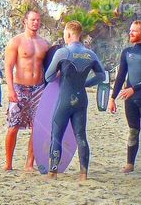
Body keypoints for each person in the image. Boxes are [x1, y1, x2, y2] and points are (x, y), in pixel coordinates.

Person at [43, 21, 106, 181]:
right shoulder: (90, 54)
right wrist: (85, 83)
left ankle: (53, 172)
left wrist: (59, 74)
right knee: (81, 136)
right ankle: (83, 174)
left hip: (65, 98)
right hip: (81, 99)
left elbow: (48, 77)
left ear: (69, 34)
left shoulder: (62, 53)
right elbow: (101, 75)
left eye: (65, 34)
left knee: (57, 135)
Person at [109, 19, 141, 173]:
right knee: (133, 130)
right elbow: (120, 76)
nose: (130, 33)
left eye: (134, 31)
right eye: (130, 30)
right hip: (130, 99)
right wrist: (112, 98)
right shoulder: (127, 52)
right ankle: (130, 164)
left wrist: (134, 88)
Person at [4, 10, 51, 171]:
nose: (35, 23)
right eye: (32, 20)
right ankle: (8, 163)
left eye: (38, 20)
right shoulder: (16, 41)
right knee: (13, 126)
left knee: (37, 127)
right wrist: (10, 89)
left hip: (39, 88)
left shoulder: (44, 44)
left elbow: (51, 68)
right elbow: (8, 67)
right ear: (25, 21)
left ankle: (29, 164)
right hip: (19, 86)